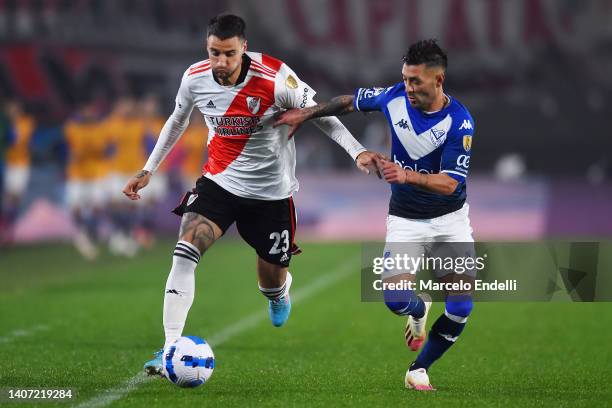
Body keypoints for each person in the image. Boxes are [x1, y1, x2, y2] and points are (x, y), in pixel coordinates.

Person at [122, 14, 382, 376]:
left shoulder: (275, 77)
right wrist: (149, 168)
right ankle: (169, 350)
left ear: (243, 48)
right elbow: (178, 118)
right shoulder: (194, 78)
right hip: (219, 183)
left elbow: (319, 113)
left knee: (270, 282)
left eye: (229, 54)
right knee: (184, 255)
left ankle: (278, 292)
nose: (221, 63)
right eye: (214, 53)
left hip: (271, 194)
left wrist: (357, 152)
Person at [274, 39, 476, 391]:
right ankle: (418, 309)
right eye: (406, 79)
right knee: (396, 299)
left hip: (450, 222)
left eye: (416, 81)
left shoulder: (460, 123)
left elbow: (449, 183)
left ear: (439, 80)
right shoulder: (394, 96)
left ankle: (419, 369)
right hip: (405, 219)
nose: (408, 87)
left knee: (461, 306)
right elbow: (349, 102)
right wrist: (307, 114)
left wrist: (407, 174)